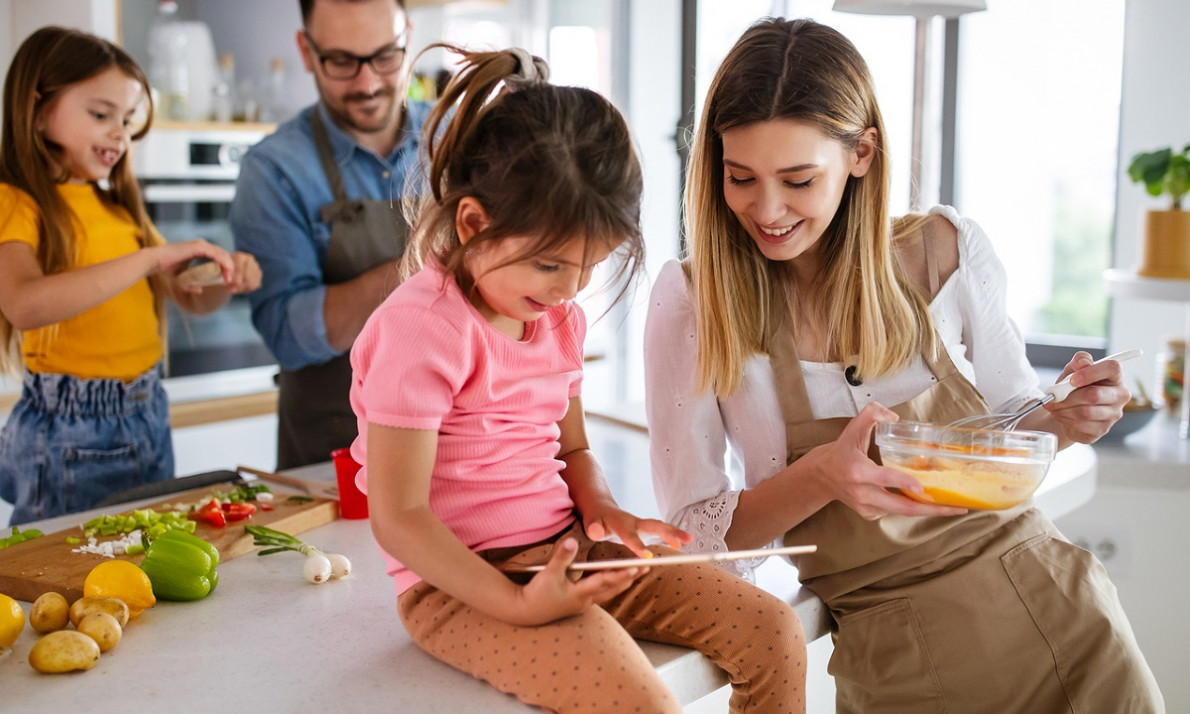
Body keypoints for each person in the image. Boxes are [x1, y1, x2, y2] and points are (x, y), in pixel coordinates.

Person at [644, 17, 1164, 714]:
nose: (766, 209)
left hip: (1062, 619)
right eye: (741, 178)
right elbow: (696, 543)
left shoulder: (945, 251)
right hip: (903, 658)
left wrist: (1070, 419)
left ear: (861, 154)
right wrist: (819, 476)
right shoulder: (694, 302)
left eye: (798, 179)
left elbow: (1018, 433)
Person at [351, 44, 807, 713]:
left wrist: (603, 510)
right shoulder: (419, 330)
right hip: (458, 587)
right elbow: (400, 517)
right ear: (475, 222)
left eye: (590, 265)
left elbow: (572, 452)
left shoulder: (555, 319)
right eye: (550, 265)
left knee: (774, 630)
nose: (571, 291)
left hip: (568, 553)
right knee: (640, 701)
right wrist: (518, 601)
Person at [0, 27, 261, 525]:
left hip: (147, 415)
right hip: (70, 432)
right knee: (64, 574)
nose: (120, 134)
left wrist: (223, 279)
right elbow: (23, 303)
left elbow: (186, 295)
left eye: (126, 119)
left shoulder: (117, 207)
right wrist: (149, 259)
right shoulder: (17, 201)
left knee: (141, 567)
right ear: (37, 109)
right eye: (101, 115)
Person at [231, 0, 432, 469]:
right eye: (341, 61)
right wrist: (419, 266)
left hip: (459, 449)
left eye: (386, 56)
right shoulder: (274, 170)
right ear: (306, 51)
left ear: (409, 37)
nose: (367, 84)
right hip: (333, 457)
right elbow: (287, 334)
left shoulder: (457, 137)